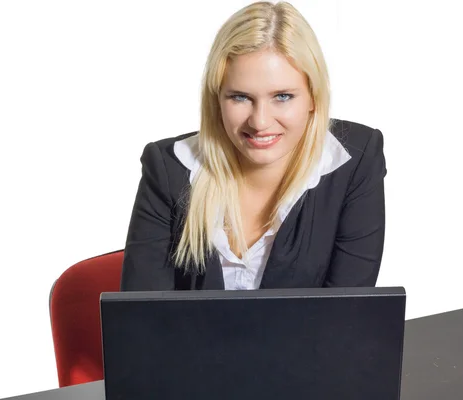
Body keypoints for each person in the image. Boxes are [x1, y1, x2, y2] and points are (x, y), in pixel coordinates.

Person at [120, 1, 387, 291]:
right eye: (240, 97)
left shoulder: (354, 161)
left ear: (313, 97)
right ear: (216, 99)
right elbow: (142, 320)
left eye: (283, 96)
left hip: (311, 339)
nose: (259, 122)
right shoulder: (169, 168)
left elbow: (347, 315)